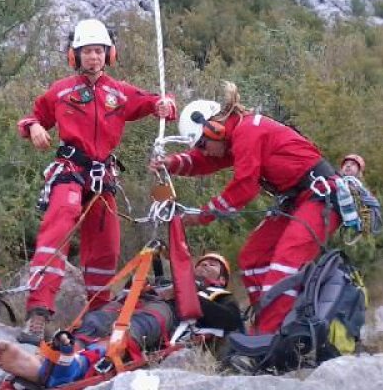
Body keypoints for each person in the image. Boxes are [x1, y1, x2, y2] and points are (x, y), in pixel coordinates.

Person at [151, 82, 359, 336]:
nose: (204, 151)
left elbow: (244, 188)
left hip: (319, 196)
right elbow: (203, 160)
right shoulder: (234, 134)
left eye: (202, 144)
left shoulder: (248, 133)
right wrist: (171, 163)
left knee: (285, 264)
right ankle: (268, 324)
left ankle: (270, 337)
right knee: (253, 258)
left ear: (214, 129)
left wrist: (202, 215)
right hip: (298, 199)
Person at [16, 18, 176, 344]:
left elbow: (156, 104)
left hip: (103, 179)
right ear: (75, 56)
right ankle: (38, 314)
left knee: (106, 249)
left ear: (109, 54)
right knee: (57, 228)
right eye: (88, 51)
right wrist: (33, 127)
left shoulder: (120, 92)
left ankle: (97, 318)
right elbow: (34, 117)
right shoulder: (61, 91)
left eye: (100, 51)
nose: (94, 57)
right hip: (70, 171)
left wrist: (167, 105)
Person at [0, 254, 241, 387]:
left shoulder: (220, 296)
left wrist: (183, 294)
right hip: (133, 302)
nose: (206, 265)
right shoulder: (165, 279)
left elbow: (230, 321)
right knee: (94, 321)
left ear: (221, 279)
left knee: (126, 332)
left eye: (214, 266)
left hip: (166, 312)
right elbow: (131, 287)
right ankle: (57, 362)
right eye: (203, 262)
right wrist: (144, 285)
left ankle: (66, 368)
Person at [339, 154, 383, 234]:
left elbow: (371, 206)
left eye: (353, 164)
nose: (348, 165)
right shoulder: (335, 182)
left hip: (353, 227)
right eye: (346, 164)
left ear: (359, 171)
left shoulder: (361, 190)